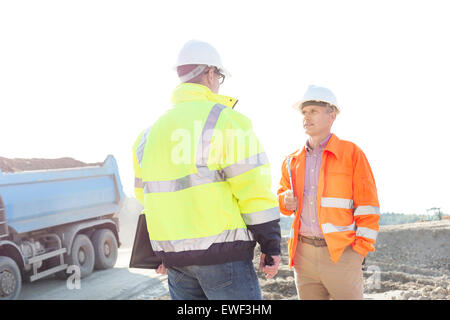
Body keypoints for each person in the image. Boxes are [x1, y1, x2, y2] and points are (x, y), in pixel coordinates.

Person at [132, 40, 281, 300]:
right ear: (210, 73)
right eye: (219, 76)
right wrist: (270, 244)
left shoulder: (148, 134)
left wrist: (164, 251)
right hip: (224, 257)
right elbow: (253, 189)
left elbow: (146, 197)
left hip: (176, 263)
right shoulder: (226, 120)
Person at [277, 85, 380, 300]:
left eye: (313, 111)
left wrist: (358, 253)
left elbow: (368, 206)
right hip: (304, 257)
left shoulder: (351, 154)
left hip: (341, 255)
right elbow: (283, 203)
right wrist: (285, 200)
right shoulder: (291, 161)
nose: (307, 117)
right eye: (304, 112)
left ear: (331, 115)